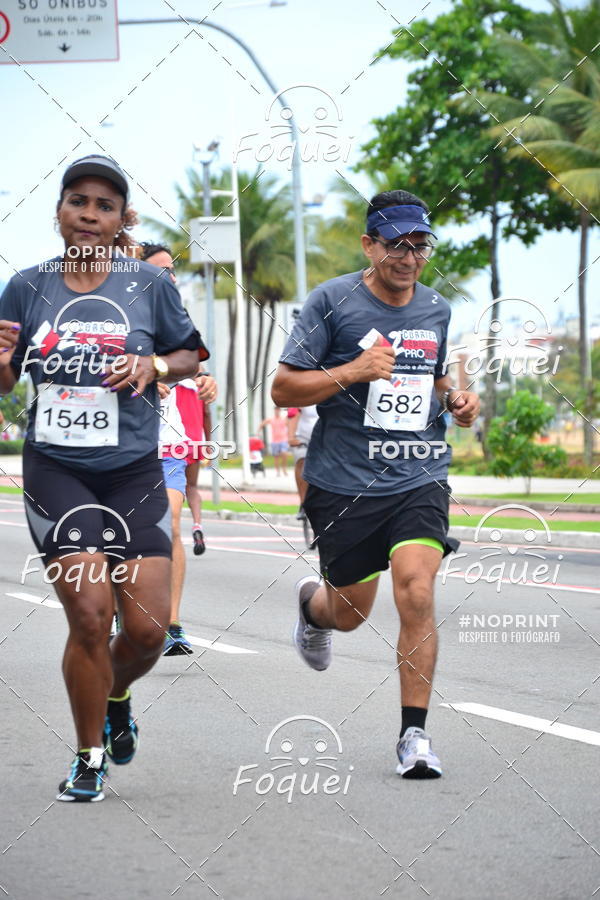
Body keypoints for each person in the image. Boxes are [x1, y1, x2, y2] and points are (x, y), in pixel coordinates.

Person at [0, 155, 208, 801]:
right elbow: (5, 382)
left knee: (145, 633)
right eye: (77, 201)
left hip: (133, 471)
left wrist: (154, 367)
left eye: (104, 205)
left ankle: (116, 694)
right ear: (60, 209)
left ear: (121, 220)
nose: (89, 215)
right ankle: (88, 754)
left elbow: (189, 351)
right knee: (90, 617)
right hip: (57, 469)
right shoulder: (26, 287)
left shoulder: (147, 285)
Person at [272, 189, 479, 779]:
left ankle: (414, 736)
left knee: (416, 590)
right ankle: (314, 611)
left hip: (419, 473)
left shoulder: (436, 308)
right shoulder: (331, 302)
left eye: (420, 245)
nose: (409, 257)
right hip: (343, 483)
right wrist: (354, 371)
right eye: (397, 245)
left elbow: (438, 380)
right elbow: (284, 389)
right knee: (350, 613)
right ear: (370, 244)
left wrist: (458, 402)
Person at [138, 242, 217, 655]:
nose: (168, 277)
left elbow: (199, 374)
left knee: (169, 526)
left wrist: (207, 384)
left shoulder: (179, 327)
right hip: (126, 449)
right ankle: (124, 611)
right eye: (159, 270)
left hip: (169, 447)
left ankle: (171, 625)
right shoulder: (123, 320)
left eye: (172, 270)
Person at [287, 405, 319, 505]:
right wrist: (291, 437)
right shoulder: (303, 391)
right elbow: (294, 412)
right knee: (302, 460)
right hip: (303, 438)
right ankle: (303, 502)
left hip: (324, 437)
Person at [257, 406, 289, 475]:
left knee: (284, 454)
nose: (277, 411)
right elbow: (262, 424)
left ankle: (284, 468)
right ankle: (278, 471)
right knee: (276, 457)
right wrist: (258, 432)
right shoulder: (271, 419)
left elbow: (290, 425)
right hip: (275, 441)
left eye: (278, 410)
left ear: (280, 411)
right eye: (276, 410)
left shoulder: (284, 419)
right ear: (274, 411)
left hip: (283, 439)